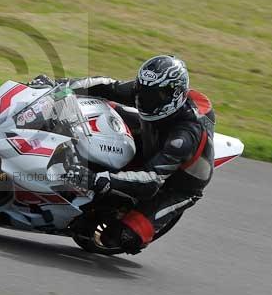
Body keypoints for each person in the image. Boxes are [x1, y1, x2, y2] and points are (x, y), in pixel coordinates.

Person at [30, 55, 215, 253]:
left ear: (175, 94)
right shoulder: (147, 92)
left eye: (155, 96)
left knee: (125, 237)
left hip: (176, 184)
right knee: (97, 108)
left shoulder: (185, 135)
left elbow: (152, 180)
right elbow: (107, 85)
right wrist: (57, 86)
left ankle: (109, 207)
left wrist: (96, 179)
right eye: (143, 91)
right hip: (151, 138)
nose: (145, 100)